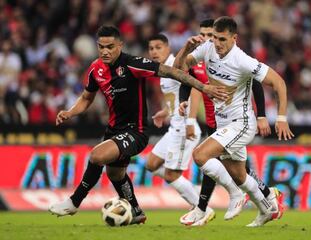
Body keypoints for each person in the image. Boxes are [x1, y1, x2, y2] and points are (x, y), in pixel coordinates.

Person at [48, 25, 227, 224]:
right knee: (115, 173)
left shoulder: (133, 64)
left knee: (97, 156)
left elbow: (173, 72)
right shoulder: (95, 68)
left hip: (137, 131)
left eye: (110, 46)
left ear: (120, 45)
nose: (105, 51)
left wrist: (203, 87)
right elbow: (86, 98)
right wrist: (70, 112)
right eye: (101, 47)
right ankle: (136, 211)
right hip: (114, 130)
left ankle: (74, 202)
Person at [174, 16, 294, 227]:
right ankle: (268, 210)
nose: (217, 44)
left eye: (222, 39)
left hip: (242, 123)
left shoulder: (243, 60)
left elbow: (278, 82)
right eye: (214, 39)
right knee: (240, 174)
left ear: (234, 38)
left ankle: (234, 194)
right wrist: (185, 48)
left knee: (200, 155)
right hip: (223, 123)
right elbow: (178, 69)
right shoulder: (208, 49)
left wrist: (281, 118)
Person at [145, 34, 207, 214]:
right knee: (151, 164)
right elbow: (176, 98)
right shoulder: (162, 70)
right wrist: (164, 112)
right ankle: (192, 191)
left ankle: (202, 209)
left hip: (184, 127)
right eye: (151, 48)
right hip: (174, 126)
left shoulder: (176, 64)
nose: (154, 52)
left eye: (158, 47)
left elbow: (194, 89)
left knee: (172, 175)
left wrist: (190, 121)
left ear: (168, 48)